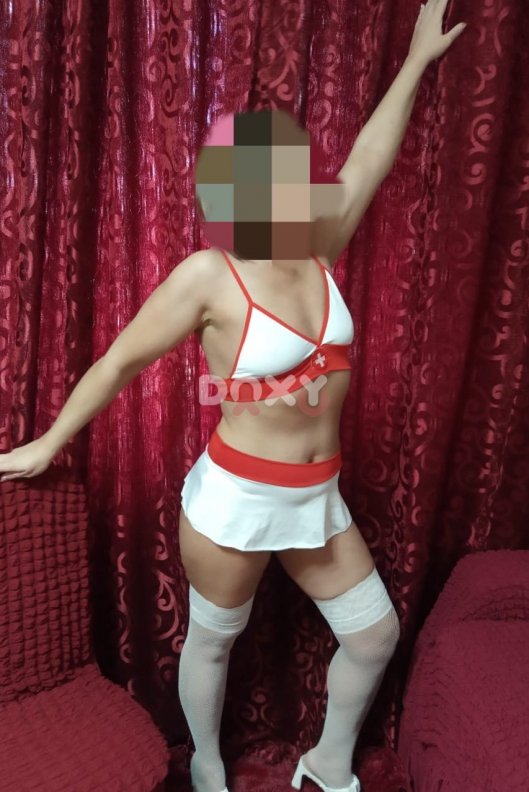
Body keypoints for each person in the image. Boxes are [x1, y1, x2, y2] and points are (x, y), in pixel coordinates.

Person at [0, 4, 467, 792]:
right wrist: (49, 441)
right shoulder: (207, 276)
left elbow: (368, 159)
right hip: (236, 499)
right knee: (214, 641)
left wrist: (417, 60)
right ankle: (209, 765)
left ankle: (326, 761)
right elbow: (116, 363)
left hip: (317, 499)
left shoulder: (317, 244)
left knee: (373, 636)